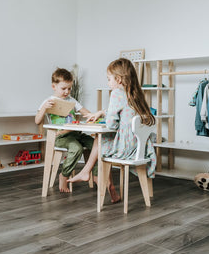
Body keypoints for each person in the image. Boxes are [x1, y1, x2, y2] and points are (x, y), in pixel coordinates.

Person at [68, 58, 157, 202]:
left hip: (125, 148)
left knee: (99, 139)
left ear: (119, 79)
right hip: (140, 148)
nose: (108, 83)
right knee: (102, 141)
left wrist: (105, 116)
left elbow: (111, 125)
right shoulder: (136, 95)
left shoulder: (116, 93)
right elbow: (123, 112)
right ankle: (95, 178)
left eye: (109, 79)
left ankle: (86, 171)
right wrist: (102, 112)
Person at [35, 68, 97, 193]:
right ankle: (64, 175)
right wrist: (43, 109)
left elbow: (86, 112)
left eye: (69, 88)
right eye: (63, 88)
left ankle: (95, 175)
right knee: (76, 148)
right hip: (60, 137)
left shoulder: (72, 100)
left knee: (97, 145)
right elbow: (37, 121)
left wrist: (94, 116)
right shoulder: (48, 101)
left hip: (76, 134)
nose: (67, 92)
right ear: (54, 86)